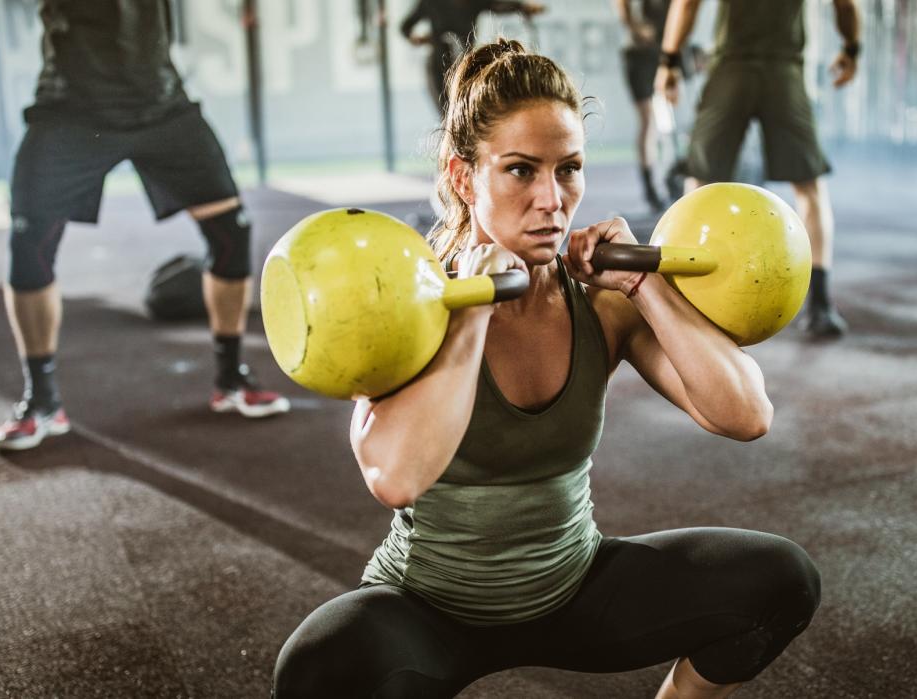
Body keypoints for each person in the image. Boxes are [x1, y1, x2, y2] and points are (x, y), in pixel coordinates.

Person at [272, 39, 819, 698]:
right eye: (521, 170)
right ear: (463, 175)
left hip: (573, 588)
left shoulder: (601, 302)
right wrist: (474, 313)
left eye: (569, 169)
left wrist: (646, 288)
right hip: (428, 611)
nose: (552, 199)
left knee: (779, 580)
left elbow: (745, 414)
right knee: (321, 666)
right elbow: (396, 475)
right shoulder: (413, 308)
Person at [0, 0, 290, 452]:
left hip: (160, 104)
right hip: (70, 108)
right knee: (28, 243)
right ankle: (42, 401)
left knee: (231, 231)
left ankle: (230, 378)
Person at [655, 0, 861, 339]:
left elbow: (687, 3)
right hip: (782, 69)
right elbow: (846, 4)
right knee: (809, 188)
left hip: (732, 67)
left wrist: (668, 61)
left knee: (700, 180)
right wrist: (851, 49)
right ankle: (820, 306)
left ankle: (684, 303)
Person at [400, 0, 546, 115]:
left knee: (467, 110)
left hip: (465, 64)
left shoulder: (475, 1)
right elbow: (405, 27)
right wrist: (417, 38)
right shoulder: (431, 2)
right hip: (439, 64)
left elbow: (497, 5)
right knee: (445, 113)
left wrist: (522, 7)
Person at [615, 0, 672, 211]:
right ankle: (650, 189)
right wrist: (635, 26)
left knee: (667, 121)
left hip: (666, 50)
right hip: (641, 53)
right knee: (649, 121)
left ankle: (670, 179)